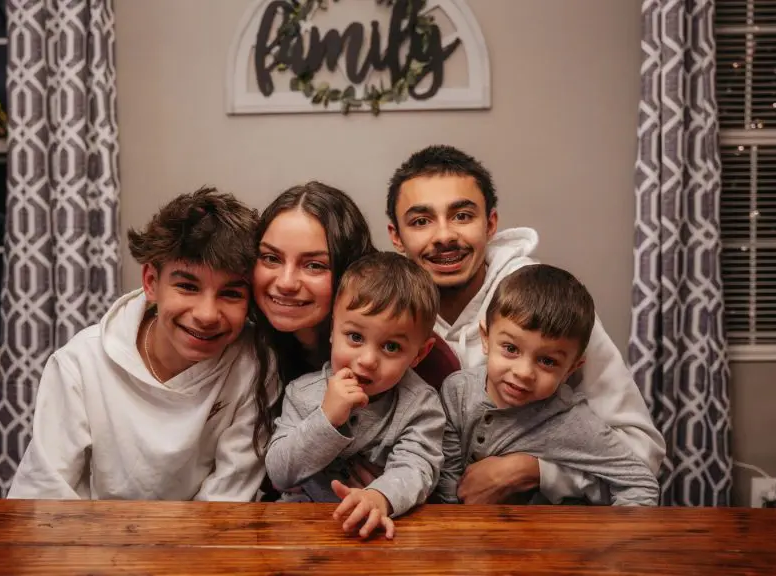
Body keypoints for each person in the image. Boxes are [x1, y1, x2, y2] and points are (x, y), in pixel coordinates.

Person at [386, 144, 666, 505]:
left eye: (462, 216)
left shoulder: (544, 308)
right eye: (421, 221)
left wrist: (534, 472)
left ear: (490, 224)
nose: (443, 236)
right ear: (396, 236)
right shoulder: (386, 310)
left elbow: (643, 452)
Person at [7, 187, 273, 501]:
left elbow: (227, 499)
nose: (206, 315)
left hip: (201, 541)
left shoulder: (254, 365)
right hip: (93, 539)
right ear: (151, 282)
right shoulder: (80, 363)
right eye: (187, 286)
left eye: (231, 293)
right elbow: (43, 492)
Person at [436, 264, 659, 506]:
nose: (523, 373)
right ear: (486, 338)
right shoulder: (456, 392)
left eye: (547, 361)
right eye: (511, 349)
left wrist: (617, 540)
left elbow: (640, 482)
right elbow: (448, 477)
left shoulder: (570, 422)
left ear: (572, 368)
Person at [265, 252, 445, 539]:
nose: (367, 360)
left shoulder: (420, 404)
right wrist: (326, 419)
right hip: (301, 521)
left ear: (419, 354)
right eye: (356, 338)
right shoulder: (302, 393)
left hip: (381, 524)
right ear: (333, 330)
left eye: (391, 347)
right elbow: (279, 473)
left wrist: (378, 497)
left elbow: (418, 467)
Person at [252, 181, 459, 394]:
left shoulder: (427, 363)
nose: (286, 283)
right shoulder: (242, 341)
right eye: (271, 258)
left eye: (315, 265)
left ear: (350, 270)